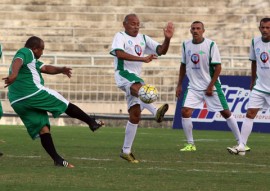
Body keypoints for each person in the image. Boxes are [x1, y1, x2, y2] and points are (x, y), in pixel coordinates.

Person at [3, 36, 104, 167]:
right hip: (32, 93)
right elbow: (18, 60)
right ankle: (91, 122)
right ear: (35, 48)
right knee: (64, 103)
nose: (42, 53)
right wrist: (14, 74)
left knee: (43, 129)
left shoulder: (31, 62)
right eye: (42, 49)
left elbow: (45, 68)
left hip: (17, 101)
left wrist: (61, 69)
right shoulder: (26, 52)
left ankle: (57, 160)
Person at [110, 14, 174, 163]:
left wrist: (168, 39)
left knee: (135, 114)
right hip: (124, 74)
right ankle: (155, 111)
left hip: (135, 78)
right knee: (142, 88)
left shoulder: (143, 39)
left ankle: (126, 151)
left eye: (138, 24)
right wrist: (142, 58)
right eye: (133, 24)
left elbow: (161, 50)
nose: (136, 26)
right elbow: (119, 53)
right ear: (125, 24)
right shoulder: (120, 36)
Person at [175, 21, 242, 151]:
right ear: (190, 30)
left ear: (203, 31)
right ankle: (190, 144)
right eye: (193, 28)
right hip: (193, 87)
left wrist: (211, 85)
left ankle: (241, 143)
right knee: (185, 111)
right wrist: (179, 84)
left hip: (210, 86)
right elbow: (183, 65)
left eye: (198, 28)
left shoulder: (210, 45)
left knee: (226, 113)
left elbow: (218, 67)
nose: (195, 31)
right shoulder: (185, 45)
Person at [227, 18, 270, 156]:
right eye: (263, 27)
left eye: (268, 28)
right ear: (259, 28)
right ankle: (242, 146)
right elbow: (253, 62)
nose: (265, 30)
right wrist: (252, 81)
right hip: (259, 86)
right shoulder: (254, 42)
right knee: (250, 114)